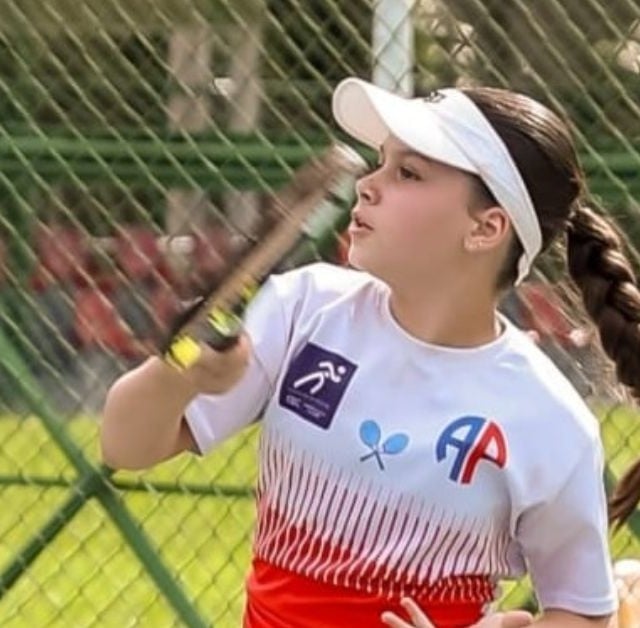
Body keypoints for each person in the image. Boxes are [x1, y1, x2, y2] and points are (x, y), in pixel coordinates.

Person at [99, 77, 640, 627]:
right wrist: (181, 373)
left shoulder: (550, 420)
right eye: (381, 162)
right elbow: (124, 445)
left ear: (486, 228)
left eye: (408, 173)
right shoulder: (304, 307)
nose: (367, 184)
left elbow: (583, 612)